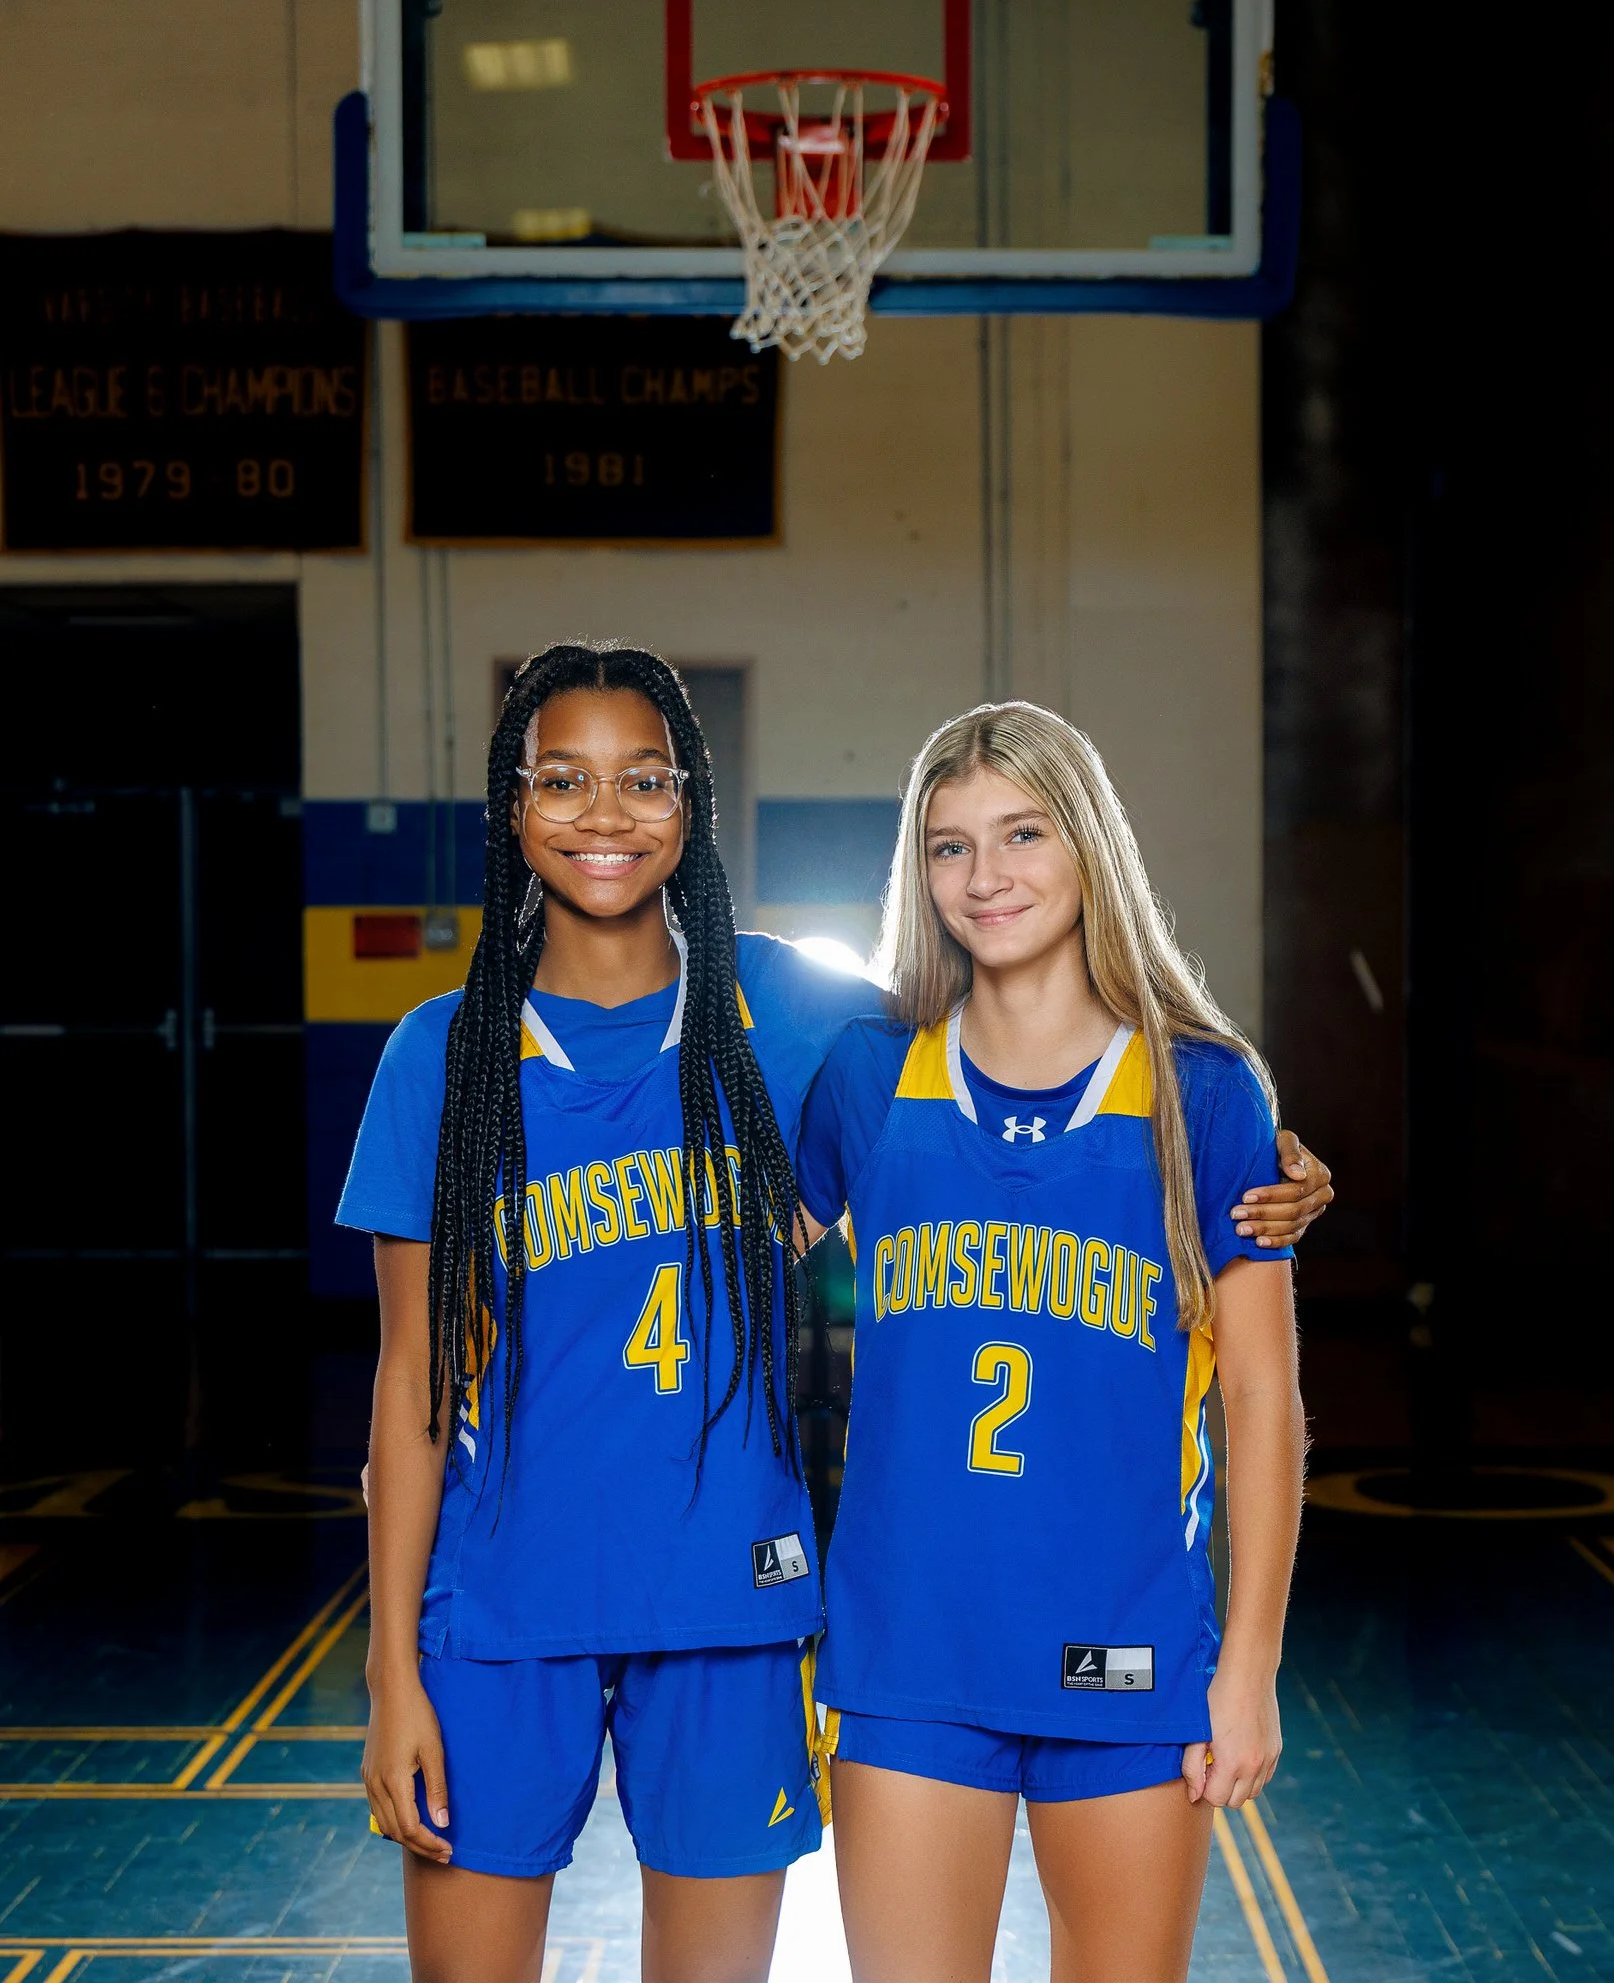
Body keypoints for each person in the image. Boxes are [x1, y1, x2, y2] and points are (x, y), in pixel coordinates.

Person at [340, 644, 882, 1983]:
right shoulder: (442, 1055)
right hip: (499, 1606)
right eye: (562, 781)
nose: (604, 816)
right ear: (513, 811)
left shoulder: (789, 1008)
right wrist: (389, 1674)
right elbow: (412, 1381)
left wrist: (1237, 1128)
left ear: (690, 800)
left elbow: (1023, 1023)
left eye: (643, 779)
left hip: (726, 1596)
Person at [796, 701, 1315, 1983]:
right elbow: (710, 1270)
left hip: (1128, 1649)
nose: (987, 876)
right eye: (948, 845)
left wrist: (1248, 1665)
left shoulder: (1203, 1090)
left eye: (1022, 832)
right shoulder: (869, 1075)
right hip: (911, 1648)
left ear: (1088, 844)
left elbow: (1261, 1397)